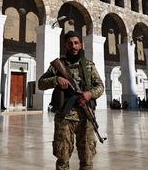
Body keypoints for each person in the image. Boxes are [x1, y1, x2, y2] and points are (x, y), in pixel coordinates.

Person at [38, 31, 104, 170]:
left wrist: (89, 94)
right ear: (65, 45)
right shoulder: (58, 65)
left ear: (80, 45)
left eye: (76, 43)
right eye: (70, 43)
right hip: (64, 117)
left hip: (85, 117)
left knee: (87, 159)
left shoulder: (89, 66)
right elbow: (41, 83)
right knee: (63, 158)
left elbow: (100, 86)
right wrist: (56, 79)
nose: (73, 46)